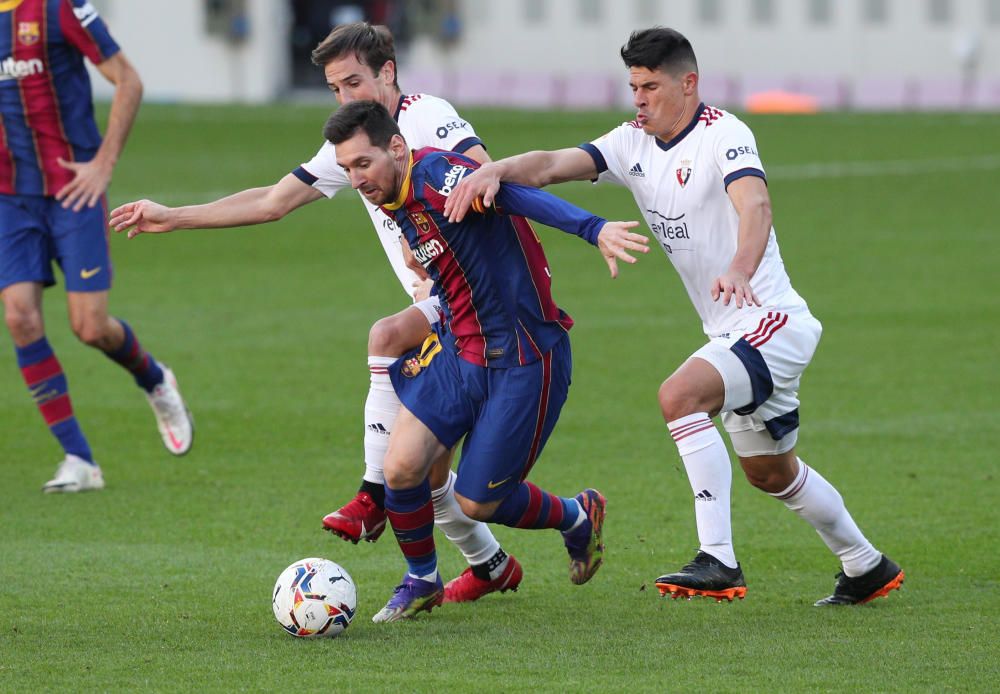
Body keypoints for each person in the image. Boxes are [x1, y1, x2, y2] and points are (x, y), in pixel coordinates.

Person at [443, 27, 904, 607]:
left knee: (679, 395)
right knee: (771, 473)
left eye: (650, 86)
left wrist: (740, 266)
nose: (638, 98)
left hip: (770, 321)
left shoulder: (724, 134)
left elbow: (755, 204)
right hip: (730, 331)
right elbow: (551, 164)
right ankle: (865, 565)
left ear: (688, 84)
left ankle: (718, 560)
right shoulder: (631, 142)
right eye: (633, 86)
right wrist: (495, 170)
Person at [110, 22, 520, 604]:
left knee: (387, 342)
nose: (345, 97)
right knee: (427, 472)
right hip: (443, 306)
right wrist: (173, 215)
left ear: (388, 72)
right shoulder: (350, 145)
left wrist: (435, 221)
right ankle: (496, 559)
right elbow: (273, 201)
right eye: (333, 88)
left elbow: (484, 174)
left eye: (354, 81)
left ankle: (372, 496)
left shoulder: (427, 115)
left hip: (482, 304)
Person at [325, 99, 650, 622]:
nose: (357, 178)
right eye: (347, 169)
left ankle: (576, 515)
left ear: (397, 148)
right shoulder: (394, 193)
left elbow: (518, 196)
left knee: (477, 503)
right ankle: (422, 580)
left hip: (523, 355)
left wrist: (594, 229)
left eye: (363, 163)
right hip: (460, 348)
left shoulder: (438, 177)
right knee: (402, 466)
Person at [0, 0, 193, 493]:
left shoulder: (58, 8)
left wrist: (104, 165)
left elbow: (128, 80)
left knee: (88, 326)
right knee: (19, 317)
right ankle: (78, 459)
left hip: (74, 189)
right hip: (10, 197)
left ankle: (153, 378)